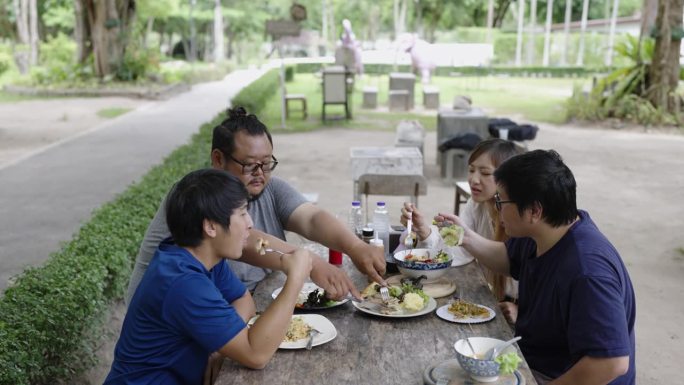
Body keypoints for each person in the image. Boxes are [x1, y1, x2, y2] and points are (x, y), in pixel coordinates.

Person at [125, 107, 385, 305]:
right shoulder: (195, 196)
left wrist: (355, 246)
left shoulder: (268, 188)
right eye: (250, 165)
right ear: (218, 159)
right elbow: (249, 242)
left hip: (236, 306)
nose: (260, 173)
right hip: (174, 320)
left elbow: (311, 217)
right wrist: (310, 263)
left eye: (267, 163)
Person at [436, 150, 635, 384]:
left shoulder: (587, 271)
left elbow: (611, 363)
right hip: (535, 360)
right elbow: (508, 259)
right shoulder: (544, 231)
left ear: (534, 210)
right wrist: (465, 237)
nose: (497, 209)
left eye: (501, 201)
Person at [105, 169, 313, 384]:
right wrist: (295, 281)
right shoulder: (183, 283)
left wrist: (222, 343)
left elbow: (243, 300)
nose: (250, 223)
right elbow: (256, 355)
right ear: (211, 226)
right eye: (242, 213)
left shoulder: (200, 256)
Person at [398, 139, 525, 323]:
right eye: (471, 170)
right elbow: (460, 253)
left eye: (485, 173)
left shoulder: (520, 217)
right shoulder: (477, 205)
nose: (474, 179)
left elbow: (540, 275)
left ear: (508, 178)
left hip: (518, 312)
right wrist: (424, 230)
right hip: (492, 301)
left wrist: (521, 310)